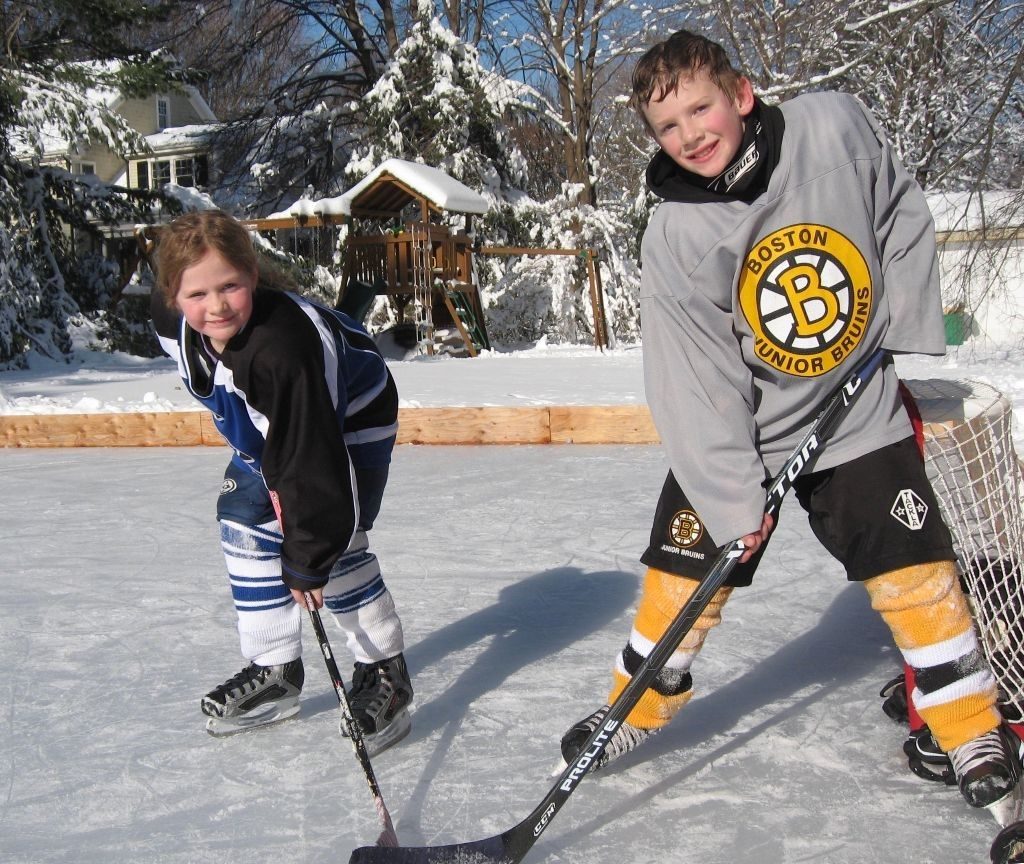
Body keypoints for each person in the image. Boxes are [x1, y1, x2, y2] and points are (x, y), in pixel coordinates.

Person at [559, 28, 1023, 826]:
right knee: (681, 586)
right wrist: (736, 505)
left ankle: (971, 729)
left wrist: (902, 328)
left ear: (741, 95)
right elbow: (694, 385)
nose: (690, 136)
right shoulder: (676, 233)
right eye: (668, 128)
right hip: (746, 433)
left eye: (701, 109)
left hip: (857, 412)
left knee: (915, 574)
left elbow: (898, 205)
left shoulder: (833, 128)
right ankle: (632, 714)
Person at [151, 209, 413, 754]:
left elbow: (312, 465)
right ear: (173, 294)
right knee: (245, 521)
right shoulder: (173, 321)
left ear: (253, 274)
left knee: (330, 543)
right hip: (270, 427)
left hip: (344, 422)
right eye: (196, 294)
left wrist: (307, 556)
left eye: (231, 286)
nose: (216, 305)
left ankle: (385, 671)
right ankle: (275, 668)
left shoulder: (280, 351)